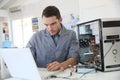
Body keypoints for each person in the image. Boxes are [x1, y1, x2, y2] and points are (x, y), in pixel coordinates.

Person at [26, 5, 79, 71]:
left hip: (62, 75)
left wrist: (62, 65)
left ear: (60, 20)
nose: (50, 28)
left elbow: (74, 58)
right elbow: (26, 58)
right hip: (42, 76)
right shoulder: (36, 37)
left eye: (53, 24)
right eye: (46, 25)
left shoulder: (71, 35)